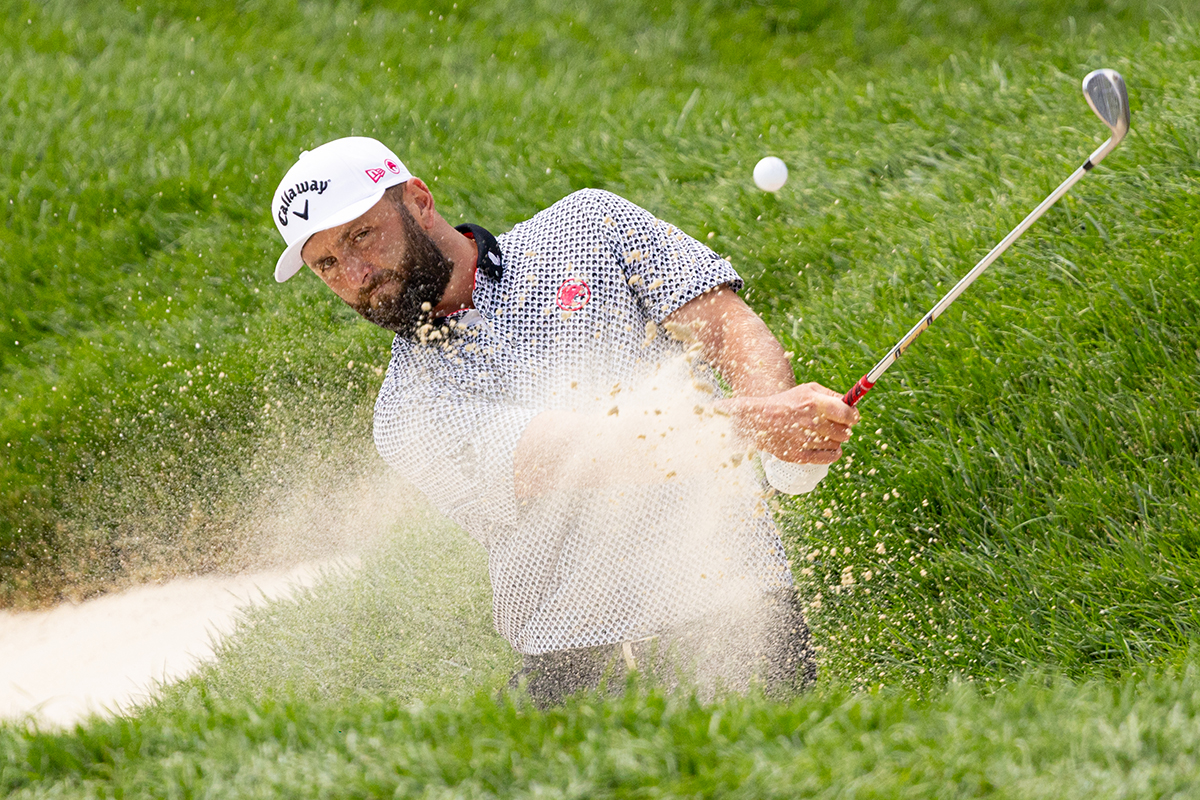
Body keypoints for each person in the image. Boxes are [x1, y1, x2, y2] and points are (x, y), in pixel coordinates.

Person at [270, 137, 860, 705]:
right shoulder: (406, 411)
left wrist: (785, 441)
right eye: (326, 263)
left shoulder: (588, 226)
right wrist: (755, 424)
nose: (354, 275)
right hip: (583, 664)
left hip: (741, 613)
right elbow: (584, 455)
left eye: (362, 236)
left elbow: (727, 329)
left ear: (419, 202)